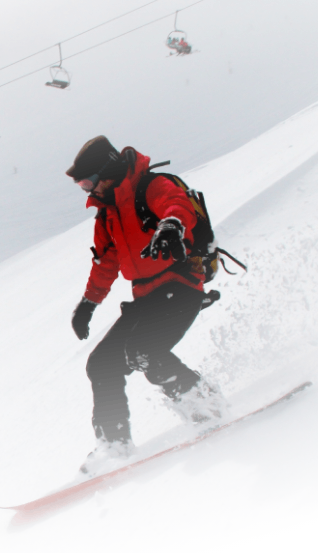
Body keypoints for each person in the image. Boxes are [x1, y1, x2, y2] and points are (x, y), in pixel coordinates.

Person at [65, 135, 227, 474]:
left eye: (89, 182)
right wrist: (88, 304)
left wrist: (170, 226)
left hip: (181, 286)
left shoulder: (151, 186)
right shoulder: (107, 214)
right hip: (146, 297)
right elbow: (106, 263)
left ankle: (206, 408)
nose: (87, 190)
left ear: (108, 170)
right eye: (81, 186)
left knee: (145, 351)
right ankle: (114, 445)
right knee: (101, 364)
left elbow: (177, 205)